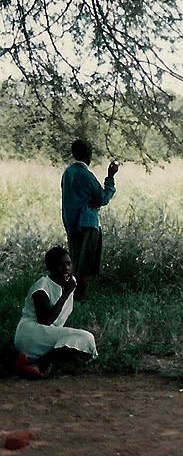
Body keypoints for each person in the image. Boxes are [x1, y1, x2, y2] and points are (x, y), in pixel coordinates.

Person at [13, 247, 98, 379]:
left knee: (80, 342)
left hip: (45, 334)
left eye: (69, 264)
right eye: (60, 265)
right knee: (87, 338)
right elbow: (45, 320)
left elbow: (80, 297)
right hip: (30, 333)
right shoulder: (42, 287)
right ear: (50, 267)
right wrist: (66, 294)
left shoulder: (68, 283)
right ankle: (38, 364)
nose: (66, 269)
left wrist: (70, 289)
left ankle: (30, 362)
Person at [61, 139, 119, 301]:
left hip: (72, 223)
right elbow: (103, 197)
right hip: (87, 223)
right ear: (88, 155)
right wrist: (110, 177)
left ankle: (67, 299)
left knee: (73, 262)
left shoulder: (68, 173)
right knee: (84, 266)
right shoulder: (85, 174)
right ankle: (78, 300)